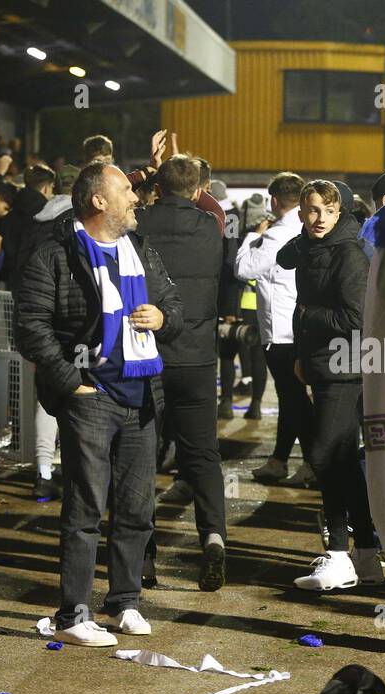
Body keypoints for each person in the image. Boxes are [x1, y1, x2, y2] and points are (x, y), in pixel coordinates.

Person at [14, 163, 183, 647]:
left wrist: (163, 315)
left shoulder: (140, 248)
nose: (136, 197)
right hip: (91, 397)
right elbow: (31, 326)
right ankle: (73, 614)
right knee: (86, 506)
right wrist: (71, 382)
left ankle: (125, 600)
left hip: (142, 394)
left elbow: (176, 305)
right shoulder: (55, 253)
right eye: (126, 190)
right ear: (98, 201)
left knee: (135, 508)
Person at [276, 180, 382, 590]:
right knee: (338, 459)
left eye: (326, 211)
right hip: (324, 364)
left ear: (341, 212)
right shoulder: (311, 245)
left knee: (323, 456)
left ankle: (340, 553)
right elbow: (284, 260)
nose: (317, 218)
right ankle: (366, 554)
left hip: (347, 366)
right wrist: (304, 354)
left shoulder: (349, 253)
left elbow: (354, 318)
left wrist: (307, 314)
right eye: (310, 210)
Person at [135, 155, 229, 591]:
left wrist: (145, 176)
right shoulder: (210, 228)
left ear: (157, 188)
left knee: (140, 457)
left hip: (145, 355)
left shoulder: (140, 225)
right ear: (196, 191)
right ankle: (212, 536)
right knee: (203, 454)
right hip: (195, 356)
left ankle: (143, 557)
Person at [236, 172, 314, 485]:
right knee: (292, 398)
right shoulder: (307, 228)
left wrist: (251, 236)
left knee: (294, 400)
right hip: (303, 327)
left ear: (274, 201)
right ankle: (279, 460)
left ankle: (312, 462)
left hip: (280, 331)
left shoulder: (275, 235)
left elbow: (244, 269)